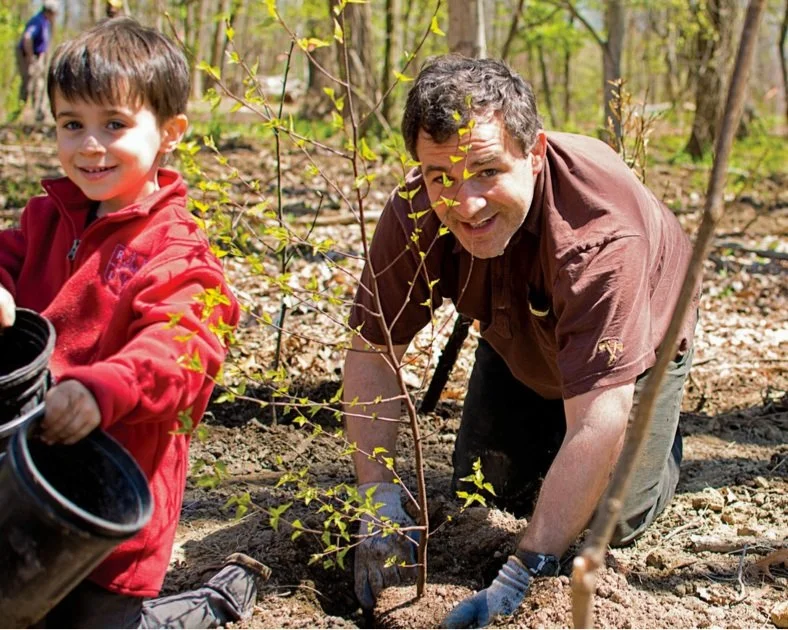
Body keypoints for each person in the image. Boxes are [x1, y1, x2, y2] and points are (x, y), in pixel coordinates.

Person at [344, 55, 699, 628]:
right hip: (517, 333)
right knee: (485, 491)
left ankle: (659, 440)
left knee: (600, 529)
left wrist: (522, 570)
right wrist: (378, 498)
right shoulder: (415, 207)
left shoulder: (599, 235)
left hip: (637, 349)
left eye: (486, 170)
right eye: (442, 177)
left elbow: (600, 416)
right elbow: (372, 347)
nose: (465, 203)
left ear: (533, 155)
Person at [0, 17, 266, 628]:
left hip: (106, 521)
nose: (89, 146)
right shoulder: (48, 215)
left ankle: (206, 607)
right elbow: (10, 258)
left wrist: (103, 389)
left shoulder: (178, 254)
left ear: (170, 132)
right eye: (72, 125)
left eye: (114, 125)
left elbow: (181, 353)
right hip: (21, 481)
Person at [15, 0, 58, 122]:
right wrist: (30, 57)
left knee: (39, 84)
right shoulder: (37, 21)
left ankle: (39, 114)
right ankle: (22, 111)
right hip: (29, 55)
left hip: (39, 57)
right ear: (48, 11)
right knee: (29, 83)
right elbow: (27, 38)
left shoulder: (45, 22)